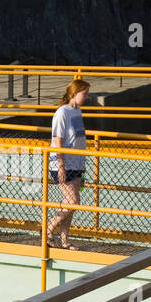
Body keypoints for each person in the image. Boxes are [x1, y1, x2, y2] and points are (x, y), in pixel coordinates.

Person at [47, 79, 90, 251]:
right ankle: (47, 230)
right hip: (62, 163)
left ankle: (64, 240)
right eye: (84, 93)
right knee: (72, 202)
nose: (86, 97)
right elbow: (58, 140)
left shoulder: (77, 111)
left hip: (77, 162)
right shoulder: (62, 112)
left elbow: (79, 139)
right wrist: (61, 165)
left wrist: (82, 163)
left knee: (70, 204)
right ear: (74, 93)